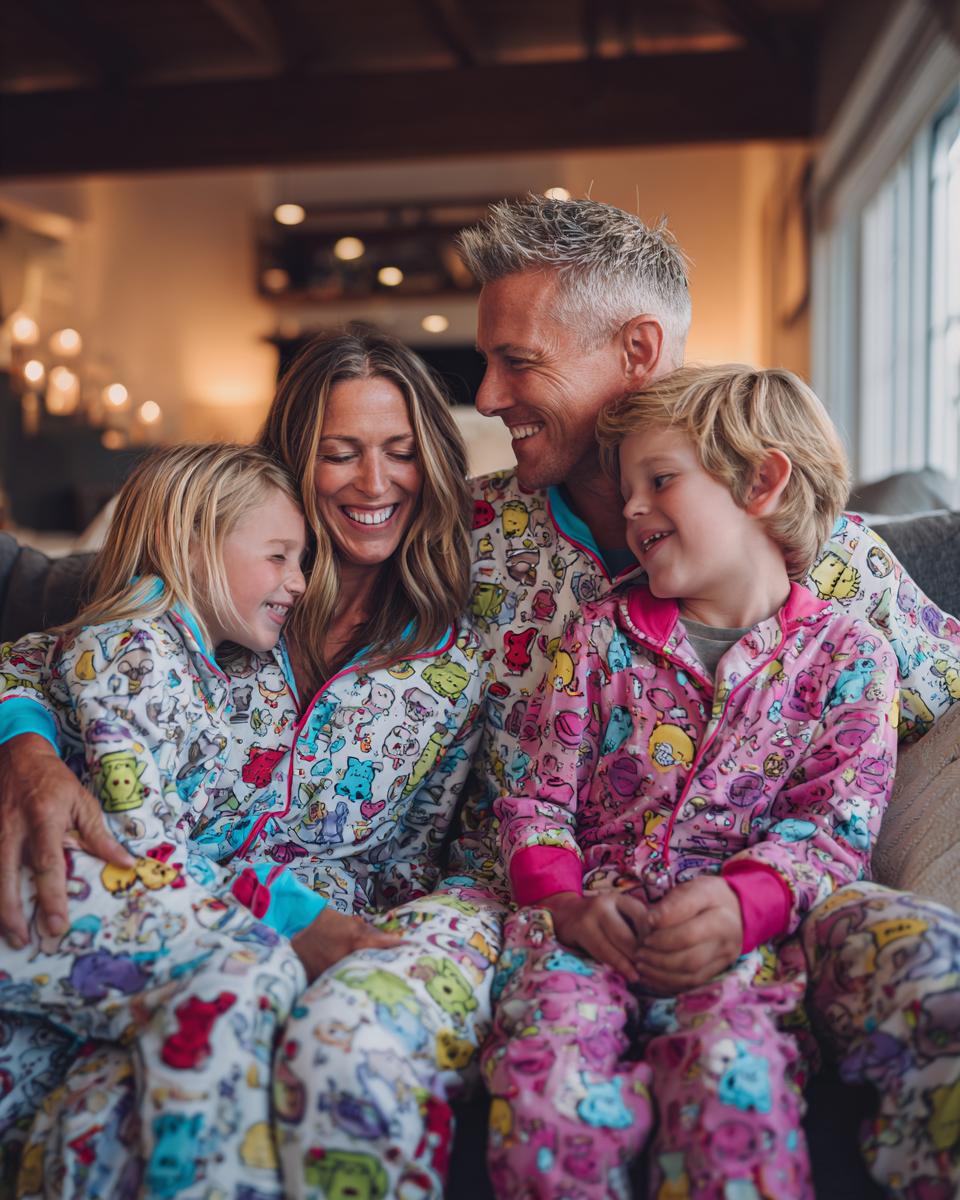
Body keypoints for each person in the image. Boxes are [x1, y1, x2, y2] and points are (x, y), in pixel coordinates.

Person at [2, 199, 960, 1197]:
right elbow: (100, 628)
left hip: (726, 925)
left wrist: (786, 888)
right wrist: (25, 745)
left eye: (518, 360)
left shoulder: (818, 557)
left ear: (638, 349)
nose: (489, 395)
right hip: (514, 911)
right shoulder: (455, 537)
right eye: (484, 361)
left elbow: (937, 710)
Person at [0, 329, 490, 1198]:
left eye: (401, 452)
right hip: (169, 909)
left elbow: (418, 854)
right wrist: (29, 752)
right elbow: (44, 654)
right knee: (101, 1119)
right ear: (295, 464)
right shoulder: (209, 584)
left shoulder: (455, 661)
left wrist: (357, 942)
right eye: (340, 454)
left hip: (293, 942)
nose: (373, 484)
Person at [484, 364, 899, 1198]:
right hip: (584, 930)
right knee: (545, 1089)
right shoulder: (598, 637)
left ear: (762, 481)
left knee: (731, 1084)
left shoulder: (851, 658)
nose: (631, 507)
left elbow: (833, 826)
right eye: (626, 486)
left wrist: (749, 906)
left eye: (660, 480)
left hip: (736, 946)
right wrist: (563, 900)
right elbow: (536, 799)